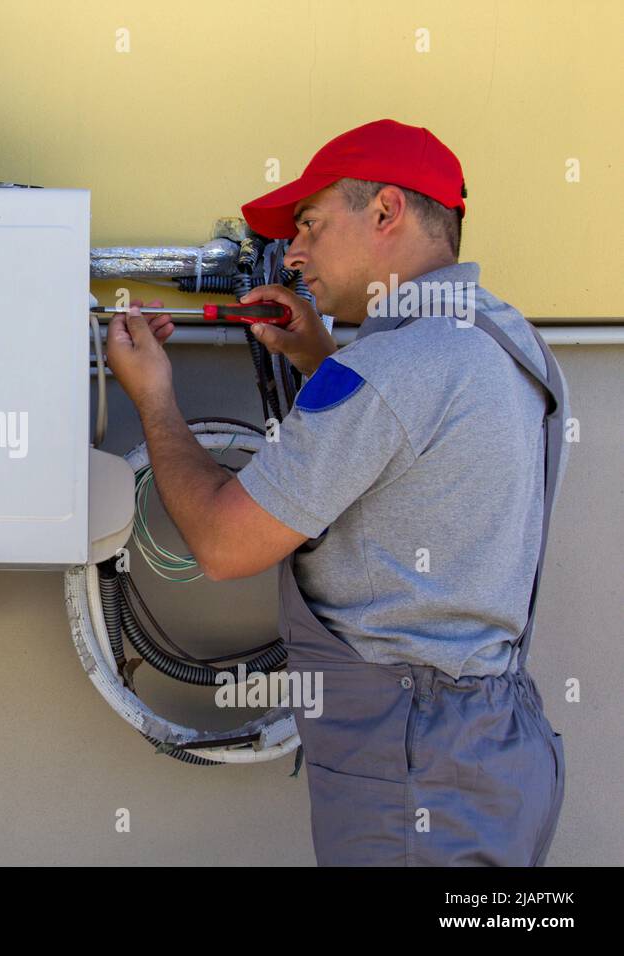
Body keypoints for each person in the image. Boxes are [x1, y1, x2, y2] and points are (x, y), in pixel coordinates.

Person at [105, 118, 568, 866]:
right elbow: (416, 460)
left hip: (413, 770)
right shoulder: (511, 343)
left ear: (385, 212)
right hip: (500, 751)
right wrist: (322, 355)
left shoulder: (391, 372)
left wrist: (155, 398)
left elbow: (225, 545)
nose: (292, 254)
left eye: (311, 225)